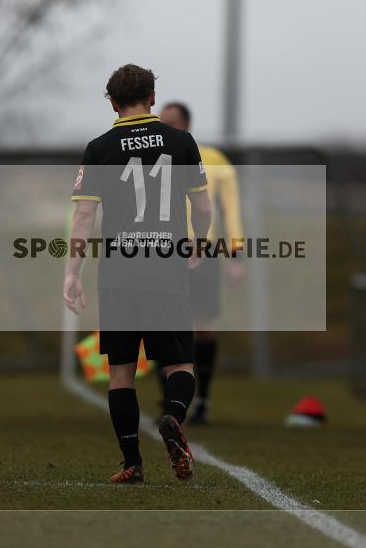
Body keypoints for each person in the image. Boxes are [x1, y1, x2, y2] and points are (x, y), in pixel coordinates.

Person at [64, 64, 212, 483]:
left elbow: (85, 217)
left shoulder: (99, 147)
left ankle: (132, 463)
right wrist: (200, 240)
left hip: (118, 272)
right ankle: (175, 418)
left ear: (112, 103)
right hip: (166, 269)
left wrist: (71, 273)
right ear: (151, 98)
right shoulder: (182, 142)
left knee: (121, 371)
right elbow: (202, 207)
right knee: (180, 364)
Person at [158, 102, 245, 425]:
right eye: (161, 122)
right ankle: (169, 399)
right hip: (161, 251)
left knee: (202, 328)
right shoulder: (152, 158)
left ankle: (202, 400)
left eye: (172, 123)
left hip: (202, 250)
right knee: (161, 325)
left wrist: (235, 256)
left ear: (186, 124)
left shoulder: (214, 160)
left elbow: (230, 212)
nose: (165, 128)